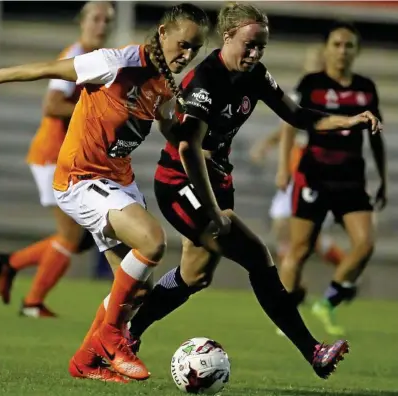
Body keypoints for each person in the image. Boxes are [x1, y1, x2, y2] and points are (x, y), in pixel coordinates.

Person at [128, 4, 381, 380]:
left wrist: (351, 120)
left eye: (261, 46)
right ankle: (314, 351)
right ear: (227, 36)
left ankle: (126, 334)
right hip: (181, 182)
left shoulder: (254, 75)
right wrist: (214, 211)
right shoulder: (205, 80)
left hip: (216, 182)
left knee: (195, 276)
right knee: (257, 255)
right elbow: (187, 149)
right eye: (249, 45)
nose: (255, 54)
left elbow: (297, 116)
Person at [0, 3, 210, 382]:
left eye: (194, 50)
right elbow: (50, 70)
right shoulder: (116, 62)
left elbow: (167, 123)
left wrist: (194, 132)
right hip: (81, 178)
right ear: (163, 33)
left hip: (119, 181)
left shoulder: (168, 83)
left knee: (135, 293)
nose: (186, 55)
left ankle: (85, 360)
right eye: (183, 44)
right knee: (153, 241)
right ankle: (112, 340)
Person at [0, 2, 115, 318]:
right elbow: (51, 105)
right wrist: (95, 113)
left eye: (107, 20)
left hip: (71, 159)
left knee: (78, 239)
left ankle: (12, 264)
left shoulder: (96, 60)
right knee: (73, 237)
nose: (102, 25)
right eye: (96, 18)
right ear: (82, 22)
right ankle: (32, 301)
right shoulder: (73, 57)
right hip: (52, 155)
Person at [276, 21, 386, 336]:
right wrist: (284, 168)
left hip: (352, 178)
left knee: (364, 245)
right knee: (299, 249)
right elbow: (290, 125)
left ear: (357, 51)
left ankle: (327, 303)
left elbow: (375, 136)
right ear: (326, 49)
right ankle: (286, 317)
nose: (342, 51)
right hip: (314, 175)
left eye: (348, 45)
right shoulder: (311, 83)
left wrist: (383, 179)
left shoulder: (366, 88)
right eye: (336, 44)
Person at [249, 43, 345, 306]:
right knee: (284, 231)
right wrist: (269, 146)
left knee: (304, 239)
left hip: (312, 175)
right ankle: (294, 288)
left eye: (318, 61)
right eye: (311, 61)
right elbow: (288, 124)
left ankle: (343, 271)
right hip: (295, 173)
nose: (313, 65)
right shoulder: (304, 90)